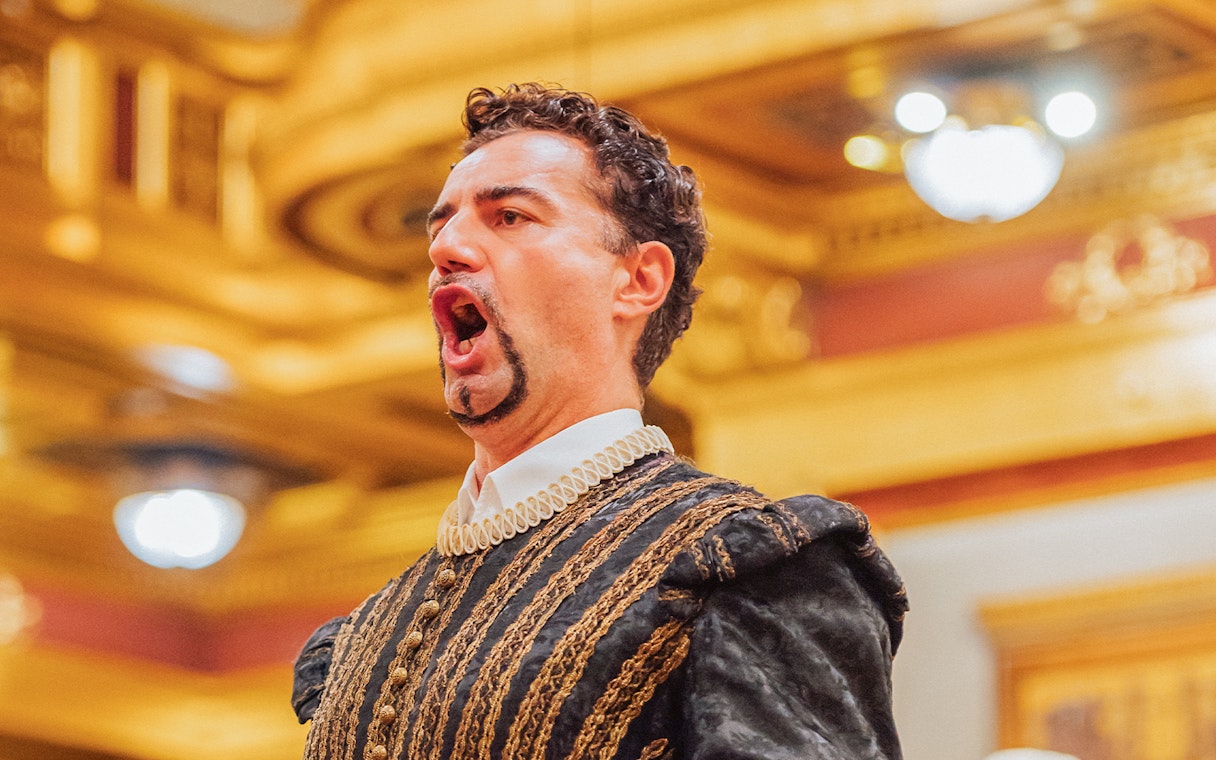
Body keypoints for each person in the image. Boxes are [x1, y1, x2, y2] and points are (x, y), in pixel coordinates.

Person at [292, 83, 909, 760]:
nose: (447, 250)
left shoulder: (744, 569)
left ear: (638, 280)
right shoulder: (368, 635)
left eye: (511, 217)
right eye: (440, 225)